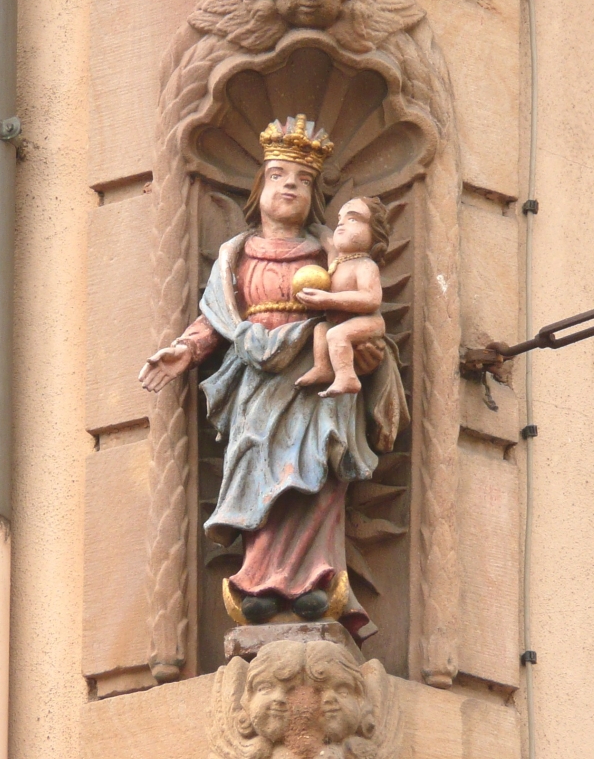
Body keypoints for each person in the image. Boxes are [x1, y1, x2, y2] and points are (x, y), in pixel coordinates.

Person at [139, 115, 408, 642]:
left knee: (313, 477)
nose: (290, 185)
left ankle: (316, 580)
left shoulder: (329, 254)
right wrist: (185, 350)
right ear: (260, 186)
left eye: (303, 180)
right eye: (279, 174)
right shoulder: (235, 255)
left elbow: (357, 315)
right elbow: (218, 318)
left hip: (313, 380)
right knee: (259, 469)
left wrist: (369, 352)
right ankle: (259, 584)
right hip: (255, 382)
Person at [295, 196, 388, 398]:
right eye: (340, 220)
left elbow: (371, 299)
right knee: (321, 329)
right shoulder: (337, 262)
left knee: (336, 335)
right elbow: (329, 243)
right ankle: (323, 368)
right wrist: (316, 229)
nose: (342, 225)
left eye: (353, 219)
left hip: (369, 322)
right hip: (341, 323)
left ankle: (347, 377)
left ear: (374, 233)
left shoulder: (365, 265)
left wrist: (328, 300)